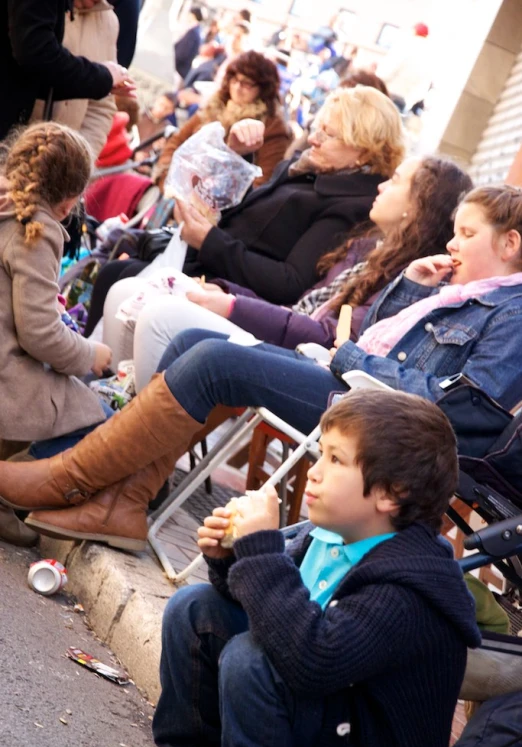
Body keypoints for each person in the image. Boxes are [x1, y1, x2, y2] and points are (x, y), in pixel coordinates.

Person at [5, 185, 522, 552]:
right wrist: (411, 285)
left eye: (466, 234)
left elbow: (458, 408)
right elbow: (376, 340)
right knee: (192, 339)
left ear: (509, 244)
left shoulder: (513, 312)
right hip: (356, 387)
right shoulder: (465, 294)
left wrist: (349, 357)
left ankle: (66, 480)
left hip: (379, 418)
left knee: (215, 361)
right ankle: (122, 502)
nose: (451, 245)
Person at [92, 390, 481, 747]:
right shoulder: (330, 536)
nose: (314, 470)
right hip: (326, 721)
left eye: (335, 460)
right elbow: (275, 612)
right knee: (196, 611)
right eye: (321, 453)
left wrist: (261, 554)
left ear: (391, 493)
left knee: (251, 662)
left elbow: (313, 659)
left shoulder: (409, 589)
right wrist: (231, 560)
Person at [101, 156, 472, 390]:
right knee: (131, 289)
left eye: (394, 181)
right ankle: (114, 406)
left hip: (307, 361)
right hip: (286, 338)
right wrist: (222, 290)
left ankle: (136, 439)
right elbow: (301, 308)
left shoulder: (411, 278)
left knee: (159, 314)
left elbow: (329, 335)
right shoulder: (366, 248)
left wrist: (231, 305)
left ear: (416, 206)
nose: (381, 185)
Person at [83, 84, 402, 335]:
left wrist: (208, 241)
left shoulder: (352, 205)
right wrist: (239, 153)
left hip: (232, 293)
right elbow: (254, 216)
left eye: (328, 134)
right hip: (209, 267)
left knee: (120, 277)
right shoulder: (311, 168)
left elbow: (290, 282)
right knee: (118, 266)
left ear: (363, 151)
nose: (313, 139)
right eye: (318, 128)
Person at [0, 122, 113, 546]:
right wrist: (90, 355)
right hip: (7, 373)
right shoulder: (38, 229)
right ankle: (7, 492)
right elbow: (39, 335)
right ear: (69, 202)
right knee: (99, 423)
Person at [154, 49, 292, 190]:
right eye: (235, 80)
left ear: (262, 89)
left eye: (247, 83)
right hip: (177, 191)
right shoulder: (215, 107)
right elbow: (177, 142)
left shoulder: (271, 127)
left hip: (221, 206)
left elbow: (262, 183)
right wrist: (167, 179)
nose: (238, 87)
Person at [0, 0, 136, 140]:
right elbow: (37, 53)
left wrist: (76, 155)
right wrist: (104, 78)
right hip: (17, 134)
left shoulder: (109, 22)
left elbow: (100, 109)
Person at [30, 0, 119, 160]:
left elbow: (100, 108)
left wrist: (76, 163)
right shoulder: (43, 7)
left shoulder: (109, 22)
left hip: (56, 167)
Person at [377, 22, 432, 113]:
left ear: (414, 32)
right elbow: (423, 87)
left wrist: (376, 80)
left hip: (387, 94)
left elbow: (387, 71)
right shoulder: (429, 56)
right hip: (403, 101)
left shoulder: (406, 46)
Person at [173, 5, 203, 80]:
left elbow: (183, 52)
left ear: (193, 15)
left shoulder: (194, 32)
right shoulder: (195, 30)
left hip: (180, 68)